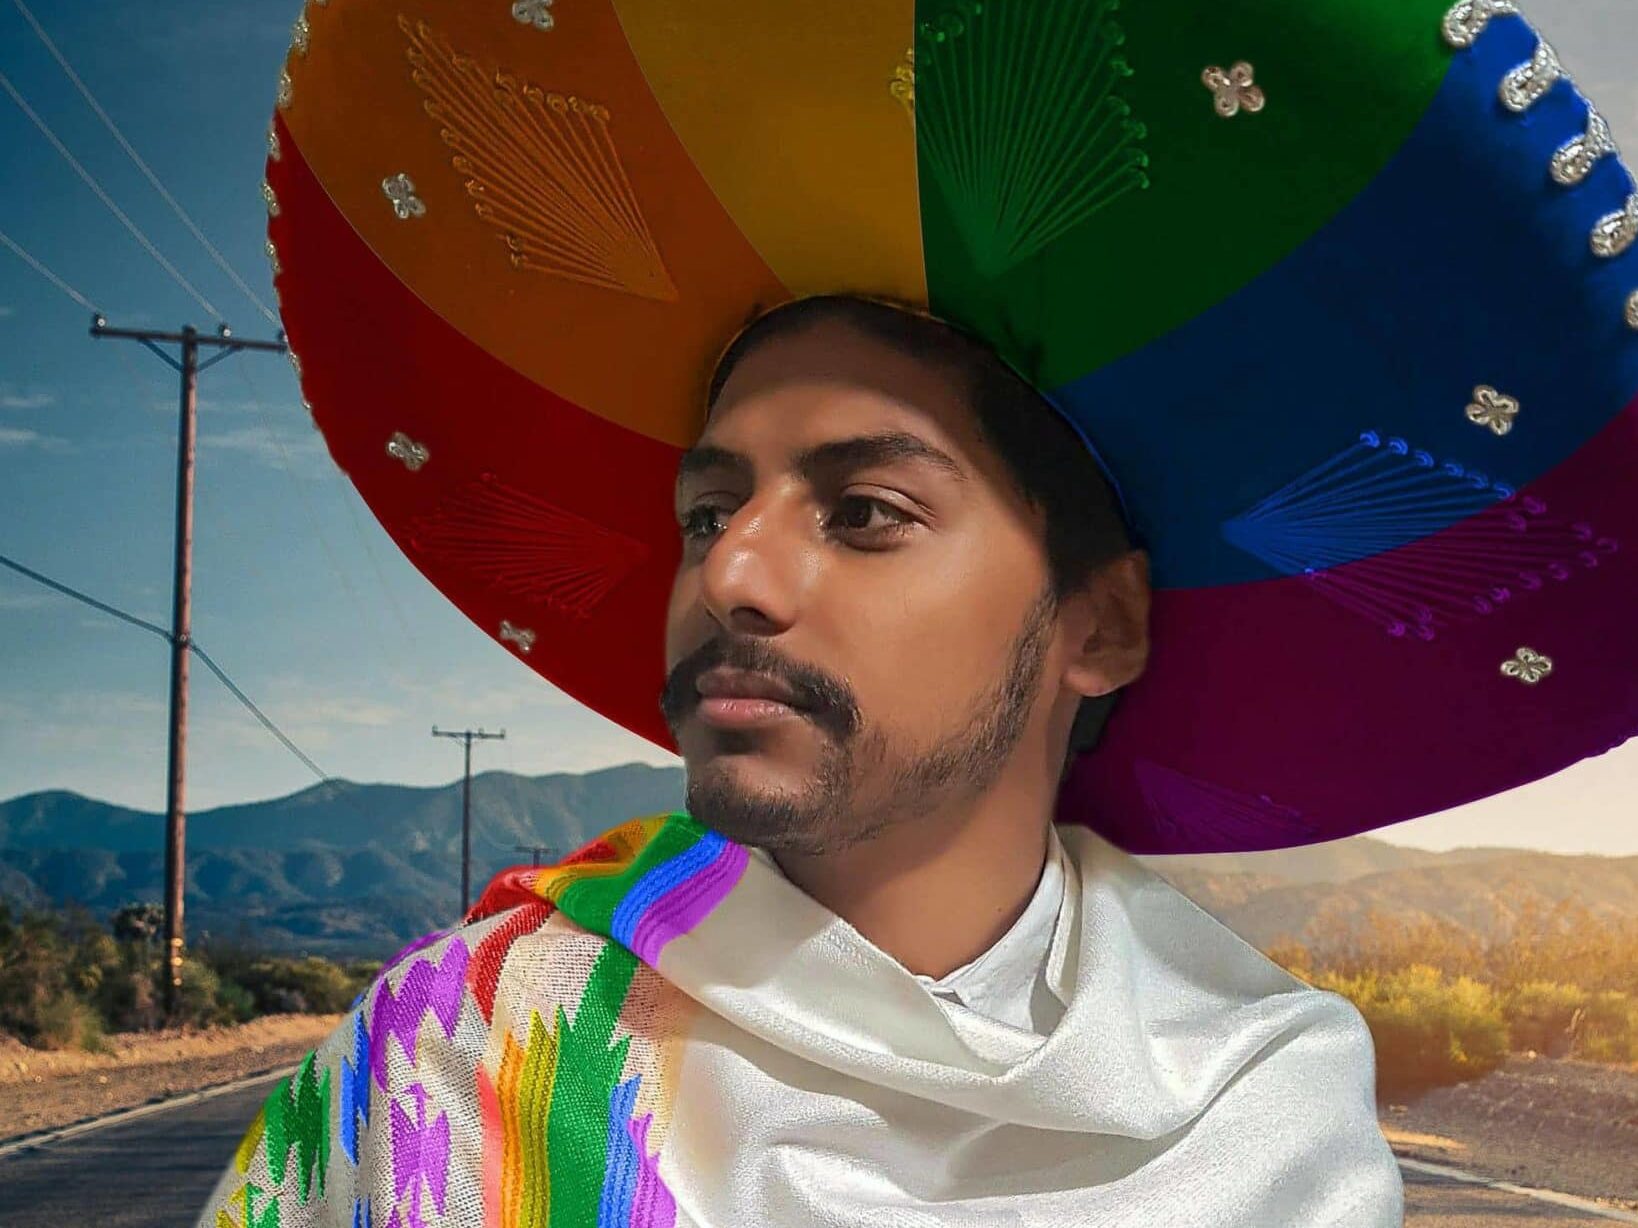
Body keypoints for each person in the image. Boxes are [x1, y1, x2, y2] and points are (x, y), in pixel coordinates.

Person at [204, 0, 1638, 1223]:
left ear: (1098, 627)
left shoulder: (1268, 1107)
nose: (731, 577)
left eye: (864, 513)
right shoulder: (462, 1053)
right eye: (709, 512)